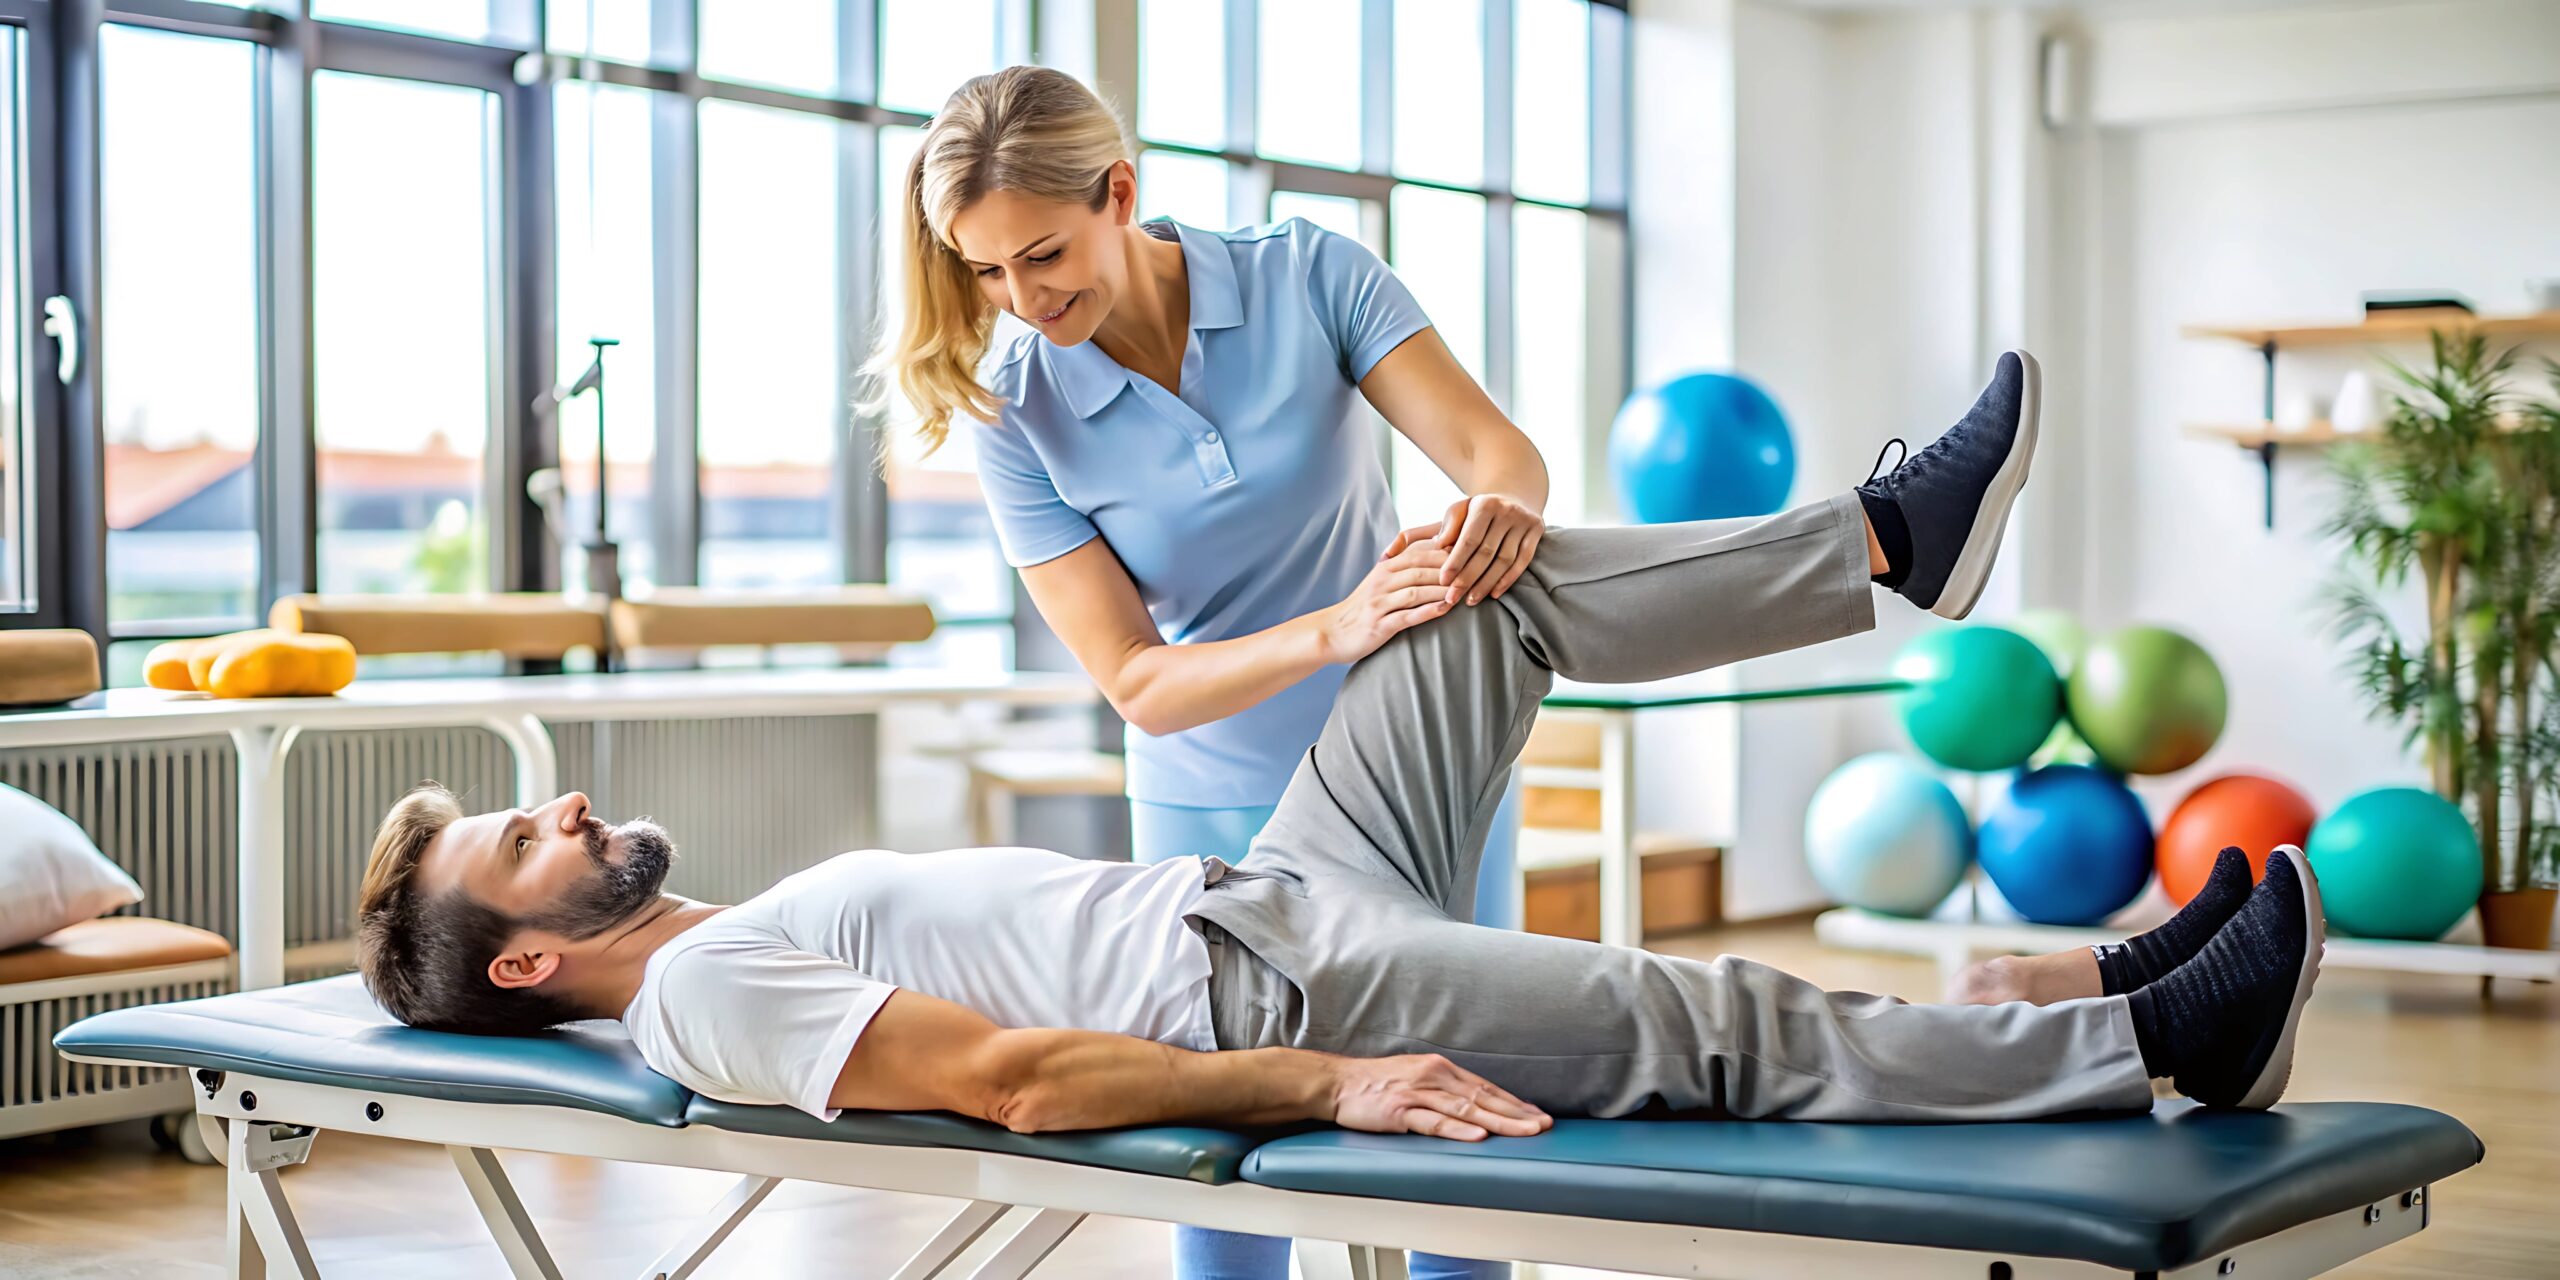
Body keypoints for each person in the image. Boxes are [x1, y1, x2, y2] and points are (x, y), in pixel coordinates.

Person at [353, 367, 2325, 1197]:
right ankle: (2150, 1052)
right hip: (1277, 994)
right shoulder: (696, 995)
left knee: (1470, 590)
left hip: (1277, 886)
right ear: (526, 965)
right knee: (1691, 1016)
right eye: (529, 845)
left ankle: (1882, 550)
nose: (573, 814)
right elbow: (1017, 1082)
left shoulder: (719, 930)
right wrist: (1330, 1081)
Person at [866, 65, 1551, 1276]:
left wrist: (1499, 505)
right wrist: (1337, 626)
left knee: (1463, 1117)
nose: (1020, 297)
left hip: (1414, 763)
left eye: (1041, 253)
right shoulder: (1012, 409)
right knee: (1223, 1137)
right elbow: (1134, 676)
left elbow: (1489, 447)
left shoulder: (1307, 273)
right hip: (1210, 794)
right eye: (982, 270)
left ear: (1117, 192)